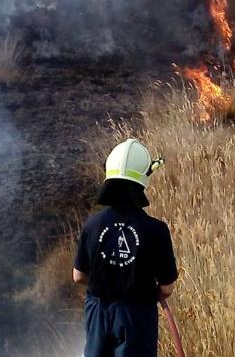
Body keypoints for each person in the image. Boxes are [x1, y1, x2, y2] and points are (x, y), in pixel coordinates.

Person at [73, 139, 178, 357]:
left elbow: (78, 276)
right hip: (136, 315)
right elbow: (167, 288)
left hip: (97, 313)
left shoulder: (92, 225)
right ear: (142, 181)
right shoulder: (156, 230)